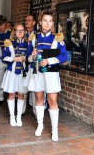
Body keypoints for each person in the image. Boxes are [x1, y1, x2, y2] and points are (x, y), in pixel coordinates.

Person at [26, 12, 68, 142]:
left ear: (53, 23)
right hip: (37, 72)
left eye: (50, 21)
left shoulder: (57, 38)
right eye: (45, 20)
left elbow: (64, 56)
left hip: (51, 73)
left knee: (52, 101)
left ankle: (54, 130)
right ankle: (40, 125)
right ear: (40, 22)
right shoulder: (34, 37)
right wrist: (32, 55)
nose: (47, 23)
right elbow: (28, 58)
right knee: (39, 98)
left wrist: (49, 61)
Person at [1, 24, 28, 126]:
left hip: (22, 72)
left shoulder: (28, 44)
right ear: (14, 32)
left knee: (21, 94)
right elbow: (3, 57)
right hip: (12, 72)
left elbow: (30, 58)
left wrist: (27, 59)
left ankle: (19, 117)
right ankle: (12, 116)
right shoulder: (10, 43)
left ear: (24, 31)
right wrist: (14, 59)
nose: (20, 32)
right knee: (12, 94)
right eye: (18, 31)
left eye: (22, 30)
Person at [0, 18, 11, 106]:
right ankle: (0, 97)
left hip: (9, 59)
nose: (2, 30)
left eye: (3, 28)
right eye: (0, 28)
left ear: (6, 25)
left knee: (10, 77)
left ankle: (10, 95)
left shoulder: (11, 34)